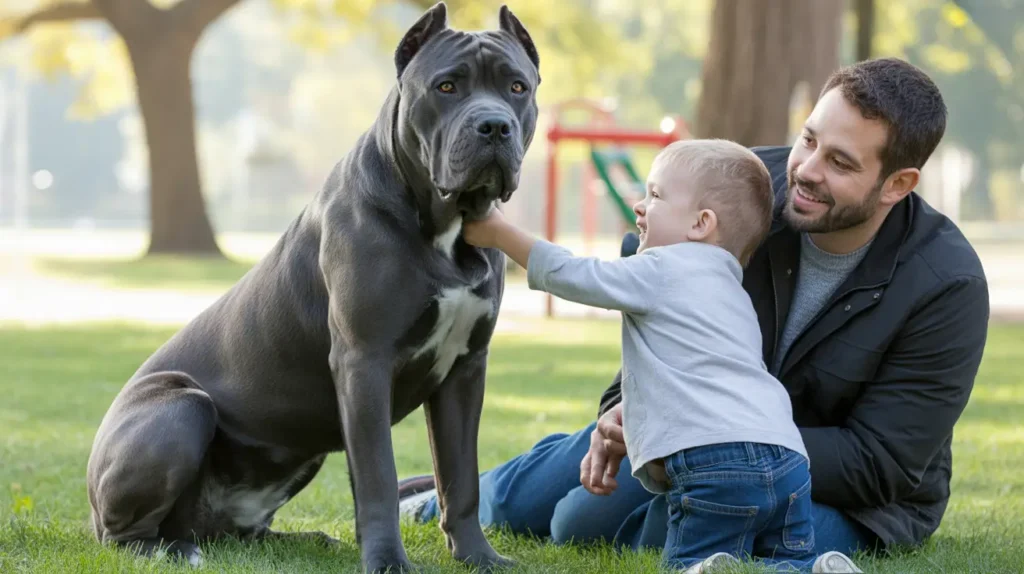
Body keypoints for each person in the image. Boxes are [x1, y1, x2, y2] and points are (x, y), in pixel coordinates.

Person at [398, 57, 990, 568]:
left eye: (841, 163)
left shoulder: (946, 285)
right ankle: (432, 501)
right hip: (688, 439)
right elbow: (649, 287)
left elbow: (879, 464)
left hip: (843, 497)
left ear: (897, 184)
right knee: (564, 518)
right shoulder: (741, 191)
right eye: (809, 140)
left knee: (671, 537)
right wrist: (632, 410)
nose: (807, 170)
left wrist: (708, 432)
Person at [458, 137, 863, 573]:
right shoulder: (734, 292)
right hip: (787, 456)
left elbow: (572, 273)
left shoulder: (663, 268)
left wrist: (499, 233)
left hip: (717, 462)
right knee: (786, 556)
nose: (639, 206)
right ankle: (812, 569)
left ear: (701, 224)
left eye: (655, 195)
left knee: (689, 562)